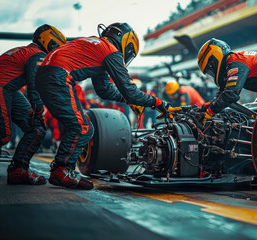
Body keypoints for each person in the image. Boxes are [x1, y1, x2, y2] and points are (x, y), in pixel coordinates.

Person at [35, 22, 179, 190]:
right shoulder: (111, 51)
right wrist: (158, 103)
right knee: (82, 127)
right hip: (58, 76)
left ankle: (21, 167)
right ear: (126, 42)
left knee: (78, 125)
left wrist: (128, 101)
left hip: (45, 74)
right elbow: (130, 91)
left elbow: (104, 90)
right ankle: (62, 170)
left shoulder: (96, 45)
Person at [0, 24, 66, 185]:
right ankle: (18, 170)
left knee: (37, 129)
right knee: (3, 134)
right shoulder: (38, 55)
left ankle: (18, 170)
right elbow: (34, 87)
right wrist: (39, 110)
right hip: (1, 88)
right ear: (52, 42)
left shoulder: (23, 50)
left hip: (9, 90)